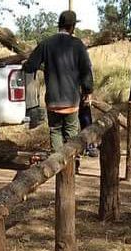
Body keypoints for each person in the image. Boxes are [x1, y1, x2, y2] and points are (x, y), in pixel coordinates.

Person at [23, 10, 94, 157]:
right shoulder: (78, 45)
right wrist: (88, 91)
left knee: (55, 131)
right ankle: (72, 167)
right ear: (72, 26)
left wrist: (25, 64)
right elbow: (86, 70)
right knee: (71, 133)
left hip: (53, 99)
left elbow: (30, 66)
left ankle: (58, 167)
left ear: (59, 25)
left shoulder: (46, 43)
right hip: (71, 100)